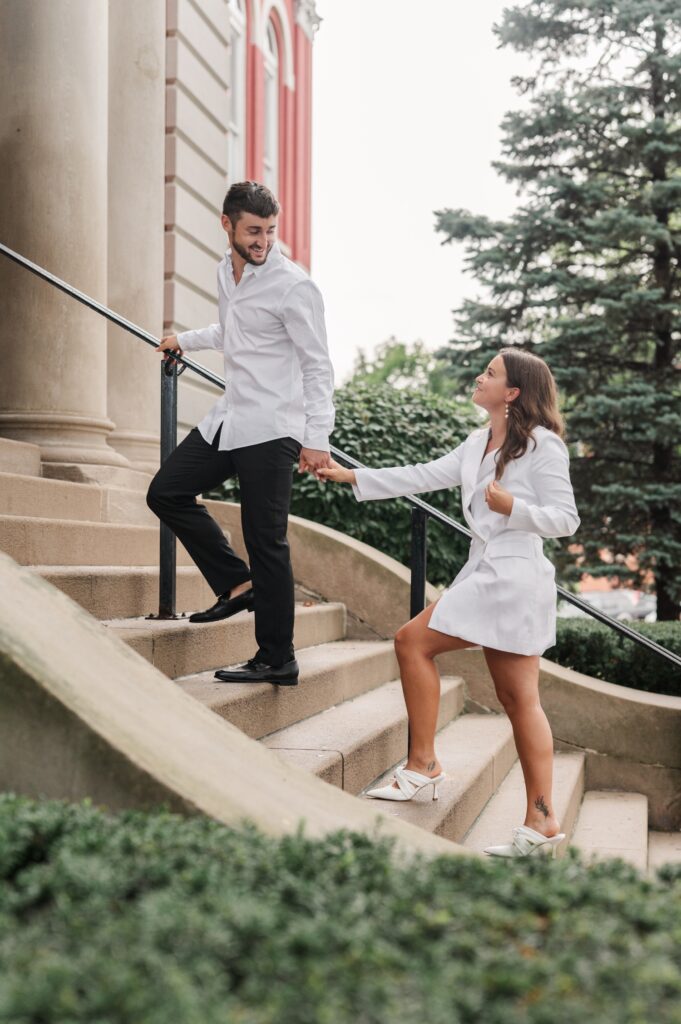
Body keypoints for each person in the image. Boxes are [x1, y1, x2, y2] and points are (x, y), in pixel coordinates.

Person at [318, 348, 580, 858]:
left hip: (515, 576)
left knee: (428, 651)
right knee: (510, 695)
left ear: (513, 393)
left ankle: (443, 775)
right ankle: (528, 816)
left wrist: (514, 507)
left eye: (491, 373)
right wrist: (350, 477)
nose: (480, 378)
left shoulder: (544, 447)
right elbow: (422, 475)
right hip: (486, 575)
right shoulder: (478, 441)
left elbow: (565, 519)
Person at [148, 181, 334, 687]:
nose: (263, 241)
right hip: (230, 418)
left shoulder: (294, 285)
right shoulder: (225, 272)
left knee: (266, 539)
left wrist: (317, 437)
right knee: (166, 492)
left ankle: (278, 657)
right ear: (227, 224)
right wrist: (183, 340)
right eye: (254, 230)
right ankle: (235, 582)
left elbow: (318, 366)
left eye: (270, 231)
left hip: (273, 427)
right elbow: (232, 331)